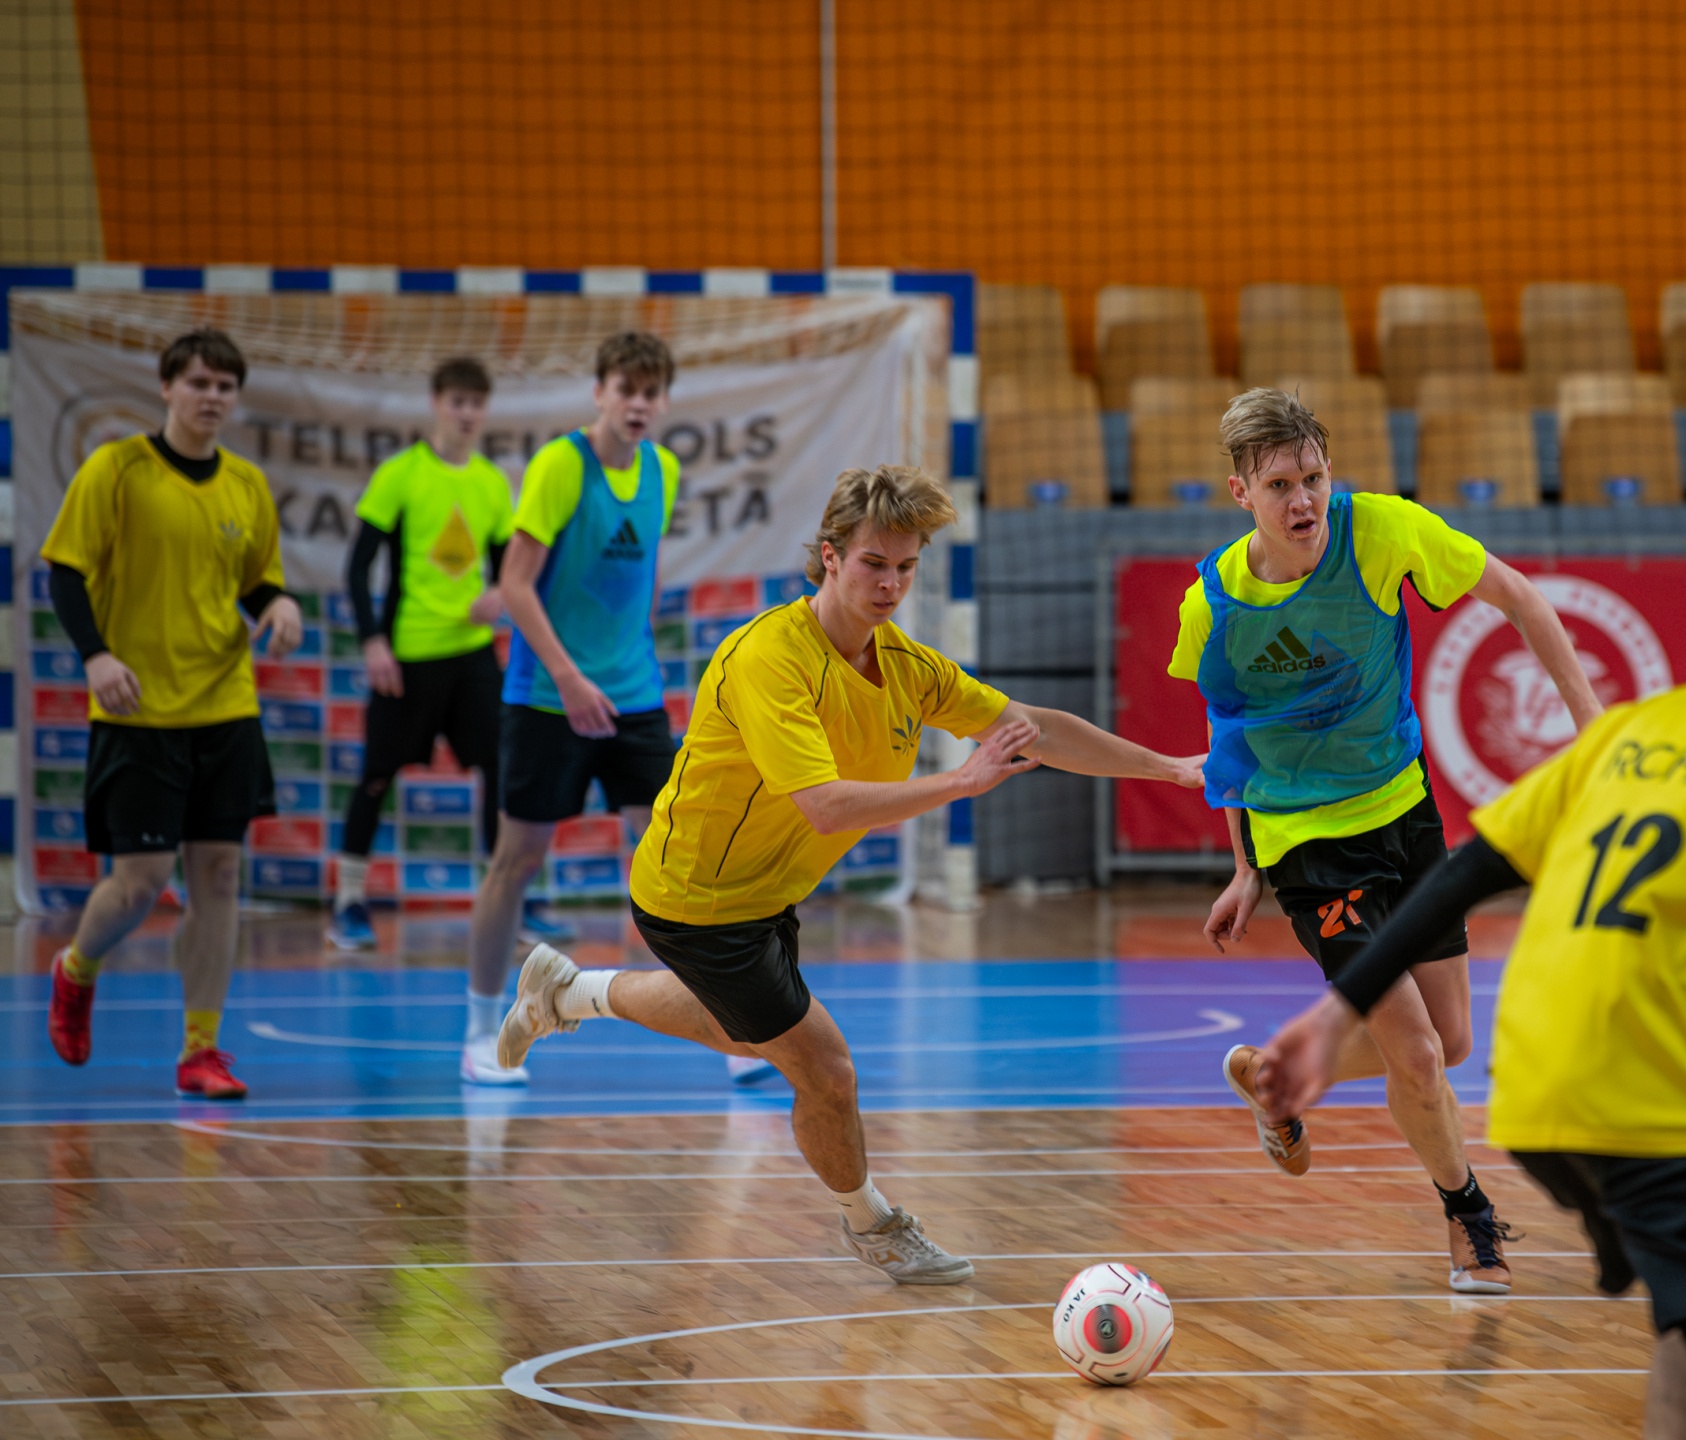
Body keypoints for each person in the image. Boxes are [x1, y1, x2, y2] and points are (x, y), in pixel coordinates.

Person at [1255, 492, 1686, 1440]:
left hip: (1532, 1090)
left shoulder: (1643, 726)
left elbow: (1466, 871)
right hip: (1652, 1100)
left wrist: (1336, 1010)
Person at [496, 465, 1205, 1284]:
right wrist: (960, 782)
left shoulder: (905, 665)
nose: (890, 584)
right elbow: (827, 807)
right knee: (825, 1071)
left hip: (768, 893)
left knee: (742, 1031)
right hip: (700, 897)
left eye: (906, 567)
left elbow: (1031, 728)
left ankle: (567, 993)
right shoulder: (771, 658)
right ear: (829, 557)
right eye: (873, 563)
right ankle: (873, 1225)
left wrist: (1168, 768)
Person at [1177, 388, 1601, 1294]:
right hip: (1307, 844)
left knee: (1450, 1041)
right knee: (1415, 1051)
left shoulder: (1382, 532)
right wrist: (1247, 865)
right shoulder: (1213, 604)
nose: (1303, 500)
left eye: (1313, 477)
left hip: (1404, 815)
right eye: (1280, 485)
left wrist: (1592, 726)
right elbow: (1229, 736)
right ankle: (1469, 1218)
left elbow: (1519, 596)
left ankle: (1273, 1076)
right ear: (1240, 493)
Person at [42, 328, 305, 1100]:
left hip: (225, 704)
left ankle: (201, 1050)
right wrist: (96, 656)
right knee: (139, 883)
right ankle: (76, 967)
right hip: (138, 710)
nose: (211, 397)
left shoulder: (247, 485)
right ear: (166, 388)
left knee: (219, 875)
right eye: (198, 383)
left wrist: (280, 604)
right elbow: (66, 573)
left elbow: (256, 582)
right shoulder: (115, 469)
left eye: (224, 385)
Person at [461, 331, 683, 1085]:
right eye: (626, 389)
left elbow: (645, 573)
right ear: (600, 393)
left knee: (674, 857)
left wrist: (630, 657)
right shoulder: (561, 465)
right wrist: (569, 677)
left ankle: (730, 1027)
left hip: (634, 696)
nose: (638, 404)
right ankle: (479, 1029)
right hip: (547, 697)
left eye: (651, 392)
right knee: (516, 860)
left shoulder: (664, 470)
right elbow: (515, 585)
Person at [330, 357, 513, 955]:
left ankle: (505, 900)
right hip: (407, 655)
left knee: (500, 770)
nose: (466, 413)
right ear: (436, 403)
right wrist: (372, 641)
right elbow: (357, 567)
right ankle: (348, 902)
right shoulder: (400, 475)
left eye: (476, 403)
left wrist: (498, 592)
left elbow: (510, 568)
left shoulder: (491, 483)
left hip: (472, 656)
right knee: (376, 776)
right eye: (457, 401)